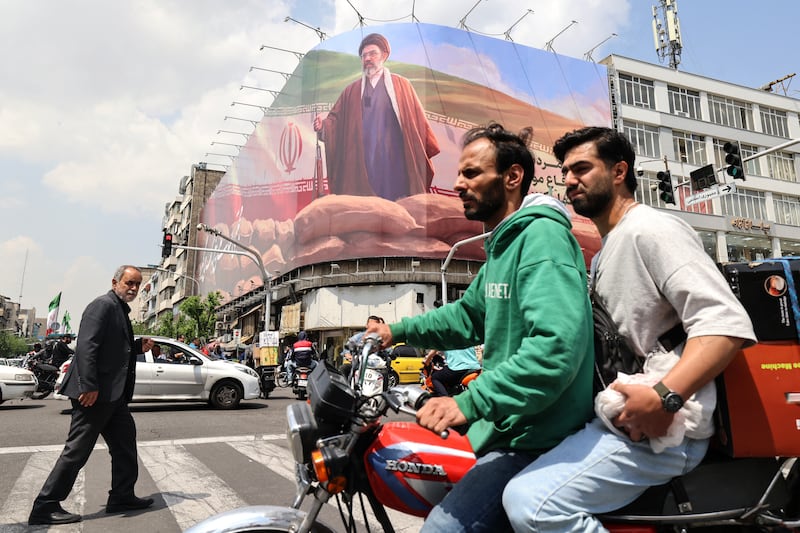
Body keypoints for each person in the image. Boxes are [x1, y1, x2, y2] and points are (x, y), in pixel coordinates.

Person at [502, 126, 756, 532]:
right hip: (625, 416)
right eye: (565, 171)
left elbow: (725, 323)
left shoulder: (651, 230)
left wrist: (664, 399)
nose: (569, 181)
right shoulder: (606, 251)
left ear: (619, 171)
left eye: (582, 168)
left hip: (669, 428)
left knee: (531, 502)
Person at [366, 123, 594, 532]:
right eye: (459, 174)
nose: (458, 184)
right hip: (508, 430)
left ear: (512, 177)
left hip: (536, 438)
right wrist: (394, 332)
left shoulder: (541, 238)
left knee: (442, 528)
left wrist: (465, 403)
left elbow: (556, 348)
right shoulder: (503, 246)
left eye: (471, 174)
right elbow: (467, 317)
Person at [28, 265, 156, 526]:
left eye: (137, 284)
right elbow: (87, 345)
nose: (133, 288)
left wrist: (135, 347)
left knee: (124, 445)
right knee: (77, 450)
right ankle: (45, 505)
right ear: (115, 282)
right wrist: (88, 385)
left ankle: (122, 495)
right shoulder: (102, 305)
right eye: (129, 283)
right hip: (95, 393)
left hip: (113, 396)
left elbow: (112, 349)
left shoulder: (119, 309)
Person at [312, 32, 440, 201]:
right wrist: (324, 126)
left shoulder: (401, 85)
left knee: (399, 203)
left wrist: (424, 147)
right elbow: (335, 121)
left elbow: (416, 120)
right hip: (363, 159)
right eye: (364, 55)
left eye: (373, 53)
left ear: (384, 56)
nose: (367, 58)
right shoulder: (352, 91)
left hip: (395, 158)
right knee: (366, 206)